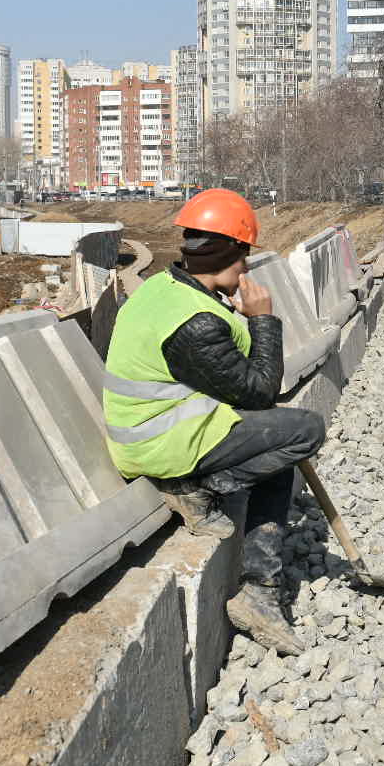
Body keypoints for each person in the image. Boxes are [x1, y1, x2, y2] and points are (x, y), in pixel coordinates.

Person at [101, 188, 324, 654]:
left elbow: (233, 378)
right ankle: (195, 488)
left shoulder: (167, 289)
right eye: (243, 258)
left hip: (165, 429)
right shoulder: (196, 324)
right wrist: (264, 320)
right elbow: (262, 391)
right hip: (163, 446)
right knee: (304, 429)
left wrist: (240, 319)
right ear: (231, 252)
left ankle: (260, 588)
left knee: (275, 452)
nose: (246, 270)